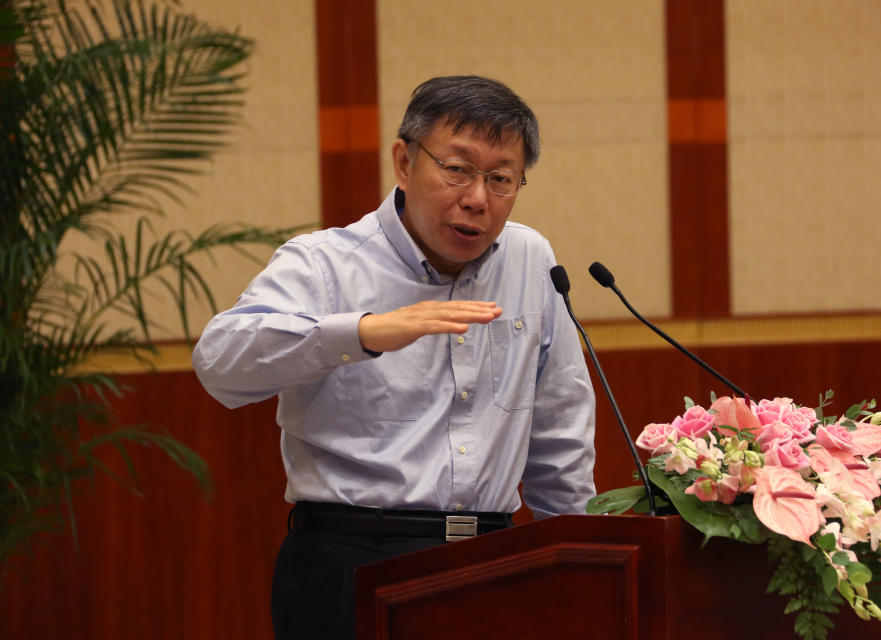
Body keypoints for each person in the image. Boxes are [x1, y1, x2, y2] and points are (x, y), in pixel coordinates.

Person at [192, 75, 596, 640]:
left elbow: (559, 426)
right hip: (352, 561)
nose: (478, 198)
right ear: (404, 163)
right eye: (457, 169)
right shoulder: (323, 264)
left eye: (501, 179)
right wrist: (364, 333)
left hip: (495, 558)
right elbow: (220, 363)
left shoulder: (531, 258)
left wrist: (578, 559)